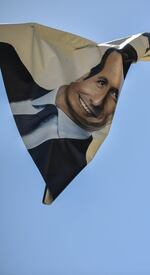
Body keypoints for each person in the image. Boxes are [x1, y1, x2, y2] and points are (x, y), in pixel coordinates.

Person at [0, 42, 137, 204]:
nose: (98, 101)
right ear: (82, 76)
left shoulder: (70, 161)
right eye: (101, 82)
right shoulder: (9, 57)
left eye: (114, 96)